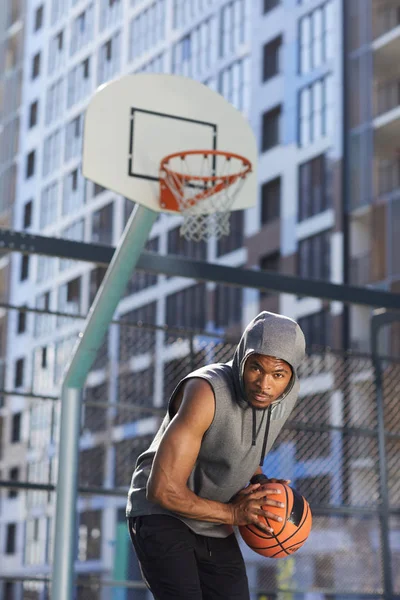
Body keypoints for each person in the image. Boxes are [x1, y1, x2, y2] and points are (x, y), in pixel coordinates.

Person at [126, 311, 306, 600]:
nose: (264, 384)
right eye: (256, 368)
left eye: (278, 375)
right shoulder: (206, 392)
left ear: (291, 376)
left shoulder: (283, 396)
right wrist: (234, 513)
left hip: (213, 518)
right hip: (162, 514)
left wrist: (260, 481)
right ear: (241, 359)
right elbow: (162, 490)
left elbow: (245, 451)